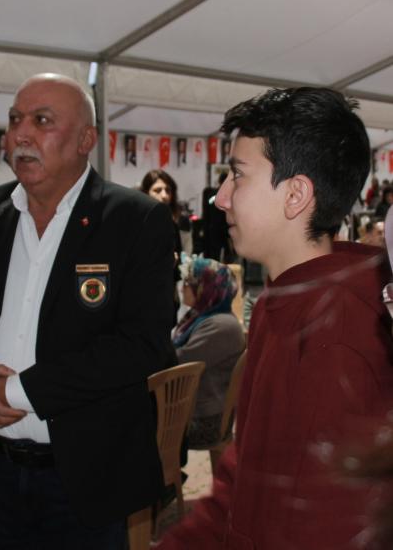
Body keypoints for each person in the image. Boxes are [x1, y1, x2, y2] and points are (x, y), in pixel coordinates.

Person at [0, 73, 174, 549]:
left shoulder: (133, 219)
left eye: (42, 120)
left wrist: (17, 391)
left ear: (86, 140)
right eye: (15, 120)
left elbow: (142, 345)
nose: (21, 134)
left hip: (83, 479)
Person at [157, 87, 393, 549]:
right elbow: (245, 474)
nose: (221, 198)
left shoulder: (341, 332)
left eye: (238, 176)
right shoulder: (284, 301)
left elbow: (328, 524)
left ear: (296, 195)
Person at [172, 255, 245, 447]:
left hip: (206, 420)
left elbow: (177, 362)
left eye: (188, 283)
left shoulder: (220, 325)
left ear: (205, 289)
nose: (182, 288)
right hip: (196, 410)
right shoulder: (202, 316)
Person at [140, 169, 183, 321]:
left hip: (167, 296)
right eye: (157, 190)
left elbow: (177, 263)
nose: (164, 196)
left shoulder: (172, 224)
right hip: (143, 298)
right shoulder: (137, 225)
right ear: (146, 193)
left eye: (168, 190)